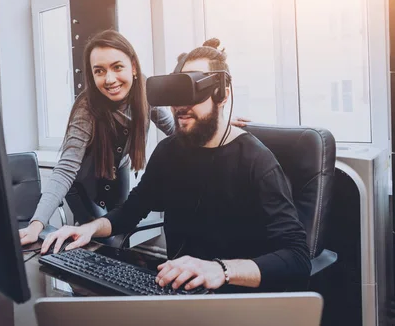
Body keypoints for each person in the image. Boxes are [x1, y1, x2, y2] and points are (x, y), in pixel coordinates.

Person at [40, 38, 311, 293]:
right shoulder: (169, 153)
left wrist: (221, 270)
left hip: (232, 299)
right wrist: (88, 229)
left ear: (222, 94)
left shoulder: (256, 162)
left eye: (193, 91)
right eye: (175, 92)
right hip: (175, 292)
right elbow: (130, 212)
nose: (180, 105)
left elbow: (297, 258)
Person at [19, 30, 250, 246]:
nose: (109, 79)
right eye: (99, 71)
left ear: (133, 67)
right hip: (82, 183)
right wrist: (36, 224)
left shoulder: (144, 93)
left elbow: (173, 128)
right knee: (101, 242)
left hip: (118, 171)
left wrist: (213, 122)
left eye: (117, 67)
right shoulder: (86, 108)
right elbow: (66, 168)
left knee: (121, 231)